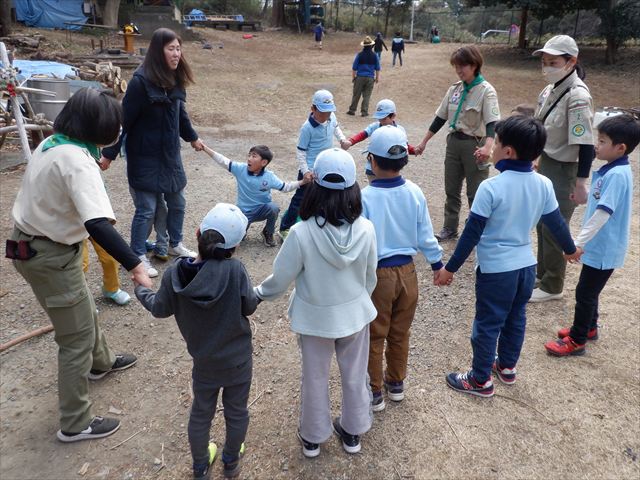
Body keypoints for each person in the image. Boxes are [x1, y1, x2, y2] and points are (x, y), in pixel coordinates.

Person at [8, 88, 151, 442]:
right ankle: (75, 422)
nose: (117, 131)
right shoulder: (77, 162)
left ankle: (100, 363)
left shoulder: (53, 143)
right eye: (113, 125)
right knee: (74, 340)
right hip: (49, 254)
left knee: (85, 310)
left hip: (43, 246)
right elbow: (98, 224)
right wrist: (134, 265)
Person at [436, 116, 579, 397]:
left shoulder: (491, 187)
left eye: (497, 142)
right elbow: (556, 223)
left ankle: (479, 380)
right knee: (515, 318)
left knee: (488, 324)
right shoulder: (543, 184)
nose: (493, 147)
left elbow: (471, 234)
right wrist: (569, 248)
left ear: (508, 151)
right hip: (526, 267)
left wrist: (449, 268)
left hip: (496, 271)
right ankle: (507, 367)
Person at [255, 148, 378, 458]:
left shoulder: (300, 232)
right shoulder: (366, 228)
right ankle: (353, 432)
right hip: (355, 314)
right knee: (354, 374)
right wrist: (358, 301)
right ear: (353, 189)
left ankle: (313, 437)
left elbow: (281, 279)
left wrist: (258, 293)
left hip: (314, 319)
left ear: (313, 187)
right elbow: (370, 276)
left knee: (315, 376)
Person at [135, 203, 258, 479]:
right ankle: (230, 461)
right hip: (238, 361)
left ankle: (201, 466)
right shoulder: (236, 270)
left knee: (201, 413)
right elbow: (249, 306)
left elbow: (159, 308)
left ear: (198, 232)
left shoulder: (174, 275)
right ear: (234, 248)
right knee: (237, 412)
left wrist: (141, 288)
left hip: (204, 362)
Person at [101, 27, 205, 277]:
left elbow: (180, 115)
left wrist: (192, 138)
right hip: (144, 157)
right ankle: (137, 253)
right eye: (171, 48)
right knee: (146, 209)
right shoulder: (140, 81)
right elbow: (123, 121)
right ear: (159, 51)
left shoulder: (176, 78)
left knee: (178, 202)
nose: (177, 53)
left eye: (179, 48)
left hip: (169, 157)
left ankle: (174, 243)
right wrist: (109, 153)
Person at [361, 126, 443, 411]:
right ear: (404, 159)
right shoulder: (415, 192)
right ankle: (395, 382)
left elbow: (360, 241)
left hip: (378, 275)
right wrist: (437, 264)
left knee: (374, 333)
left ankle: (373, 391)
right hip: (408, 273)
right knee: (400, 332)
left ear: (372, 160)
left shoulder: (365, 197)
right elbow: (426, 234)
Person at [544, 115, 639, 356]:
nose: (596, 145)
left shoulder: (617, 175)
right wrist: (584, 198)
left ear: (620, 148)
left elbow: (603, 214)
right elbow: (600, 201)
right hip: (599, 246)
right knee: (589, 291)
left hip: (603, 247)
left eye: (602, 141)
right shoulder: (610, 170)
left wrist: (576, 243)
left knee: (584, 293)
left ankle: (577, 340)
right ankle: (589, 328)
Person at [530, 35, 595, 303]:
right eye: (544, 62)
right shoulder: (550, 90)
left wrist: (581, 182)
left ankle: (553, 285)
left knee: (555, 226)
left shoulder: (578, 96)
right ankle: (542, 273)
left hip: (564, 168)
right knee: (541, 223)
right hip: (546, 162)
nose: (547, 66)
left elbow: (586, 143)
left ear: (571, 62)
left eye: (553, 62)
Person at [415, 45, 501, 242]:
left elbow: (492, 123)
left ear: (474, 65)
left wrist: (488, 147)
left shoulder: (486, 91)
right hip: (454, 143)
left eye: (463, 66)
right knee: (451, 189)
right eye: (456, 66)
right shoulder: (454, 89)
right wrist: (424, 142)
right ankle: (449, 227)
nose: (459, 70)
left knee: (476, 192)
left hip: (475, 146)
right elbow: (440, 118)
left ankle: (477, 231)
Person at [203, 144, 310, 247]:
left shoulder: (269, 177)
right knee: (239, 238)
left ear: (263, 162)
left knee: (273, 208)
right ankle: (242, 231)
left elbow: (285, 187)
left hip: (261, 210)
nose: (249, 158)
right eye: (249, 155)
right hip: (243, 213)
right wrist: (205, 148)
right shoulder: (240, 169)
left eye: (254, 156)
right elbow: (223, 161)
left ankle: (268, 232)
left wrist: (302, 182)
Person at [279, 89, 348, 238]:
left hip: (326, 165)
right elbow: (301, 152)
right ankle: (285, 227)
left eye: (329, 112)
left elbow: (336, 127)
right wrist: (305, 172)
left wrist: (342, 139)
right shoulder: (307, 128)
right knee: (300, 200)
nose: (326, 116)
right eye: (322, 112)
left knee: (325, 196)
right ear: (313, 109)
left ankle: (317, 225)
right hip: (310, 169)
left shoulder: (331, 117)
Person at [342, 98, 416, 180]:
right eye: (379, 118)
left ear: (393, 116)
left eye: (384, 118)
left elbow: (404, 146)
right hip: (373, 168)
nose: (381, 121)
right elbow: (363, 134)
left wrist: (414, 150)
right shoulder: (375, 126)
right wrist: (351, 141)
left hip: (390, 169)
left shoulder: (400, 130)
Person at [82, 238, 131, 305]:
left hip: (96, 227)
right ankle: (81, 300)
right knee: (80, 263)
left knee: (110, 255)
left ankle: (112, 289)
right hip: (71, 230)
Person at [347, 36, 380, 117]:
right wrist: (377, 78)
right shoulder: (375, 56)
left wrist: (353, 77)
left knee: (356, 94)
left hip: (360, 77)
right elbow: (377, 68)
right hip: (370, 78)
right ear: (371, 46)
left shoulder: (359, 55)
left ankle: (352, 110)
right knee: (367, 95)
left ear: (364, 46)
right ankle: (364, 112)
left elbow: (354, 68)